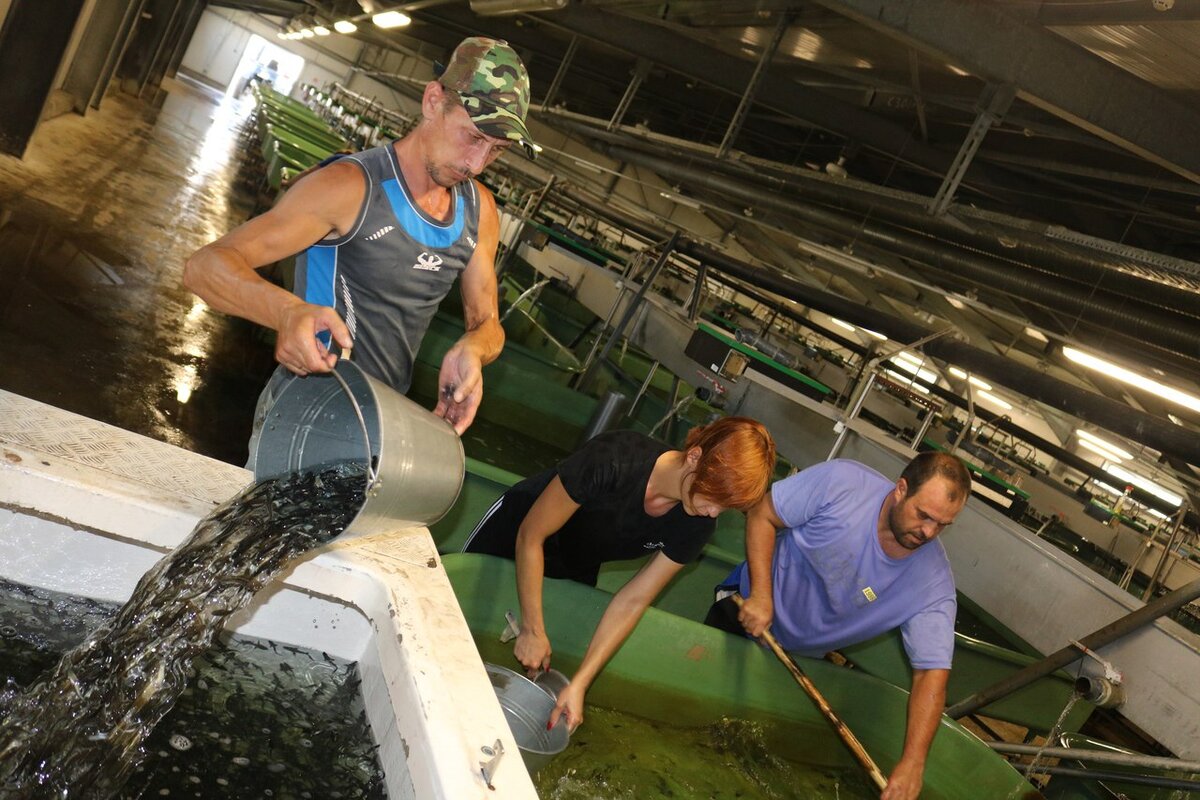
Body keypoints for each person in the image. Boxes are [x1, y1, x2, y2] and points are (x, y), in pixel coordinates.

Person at [184, 37, 537, 459]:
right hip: (307, 410)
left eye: (496, 150)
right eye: (472, 137)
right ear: (432, 101)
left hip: (384, 421)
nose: (477, 164)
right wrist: (285, 311)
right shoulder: (350, 188)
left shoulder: (481, 211)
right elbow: (204, 267)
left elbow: (488, 322)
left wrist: (474, 351)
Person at [463, 417, 776, 731]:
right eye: (713, 499)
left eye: (724, 508)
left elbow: (633, 600)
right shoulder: (615, 459)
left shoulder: (697, 524)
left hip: (577, 562)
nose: (713, 513)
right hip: (516, 532)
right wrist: (531, 628)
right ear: (694, 457)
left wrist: (580, 683)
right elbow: (531, 535)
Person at [704, 452, 972, 800]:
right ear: (901, 489)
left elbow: (930, 673)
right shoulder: (841, 484)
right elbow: (762, 514)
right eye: (923, 515)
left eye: (942, 525)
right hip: (741, 612)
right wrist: (761, 596)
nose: (928, 532)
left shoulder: (931, 583)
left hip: (799, 662)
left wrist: (913, 762)